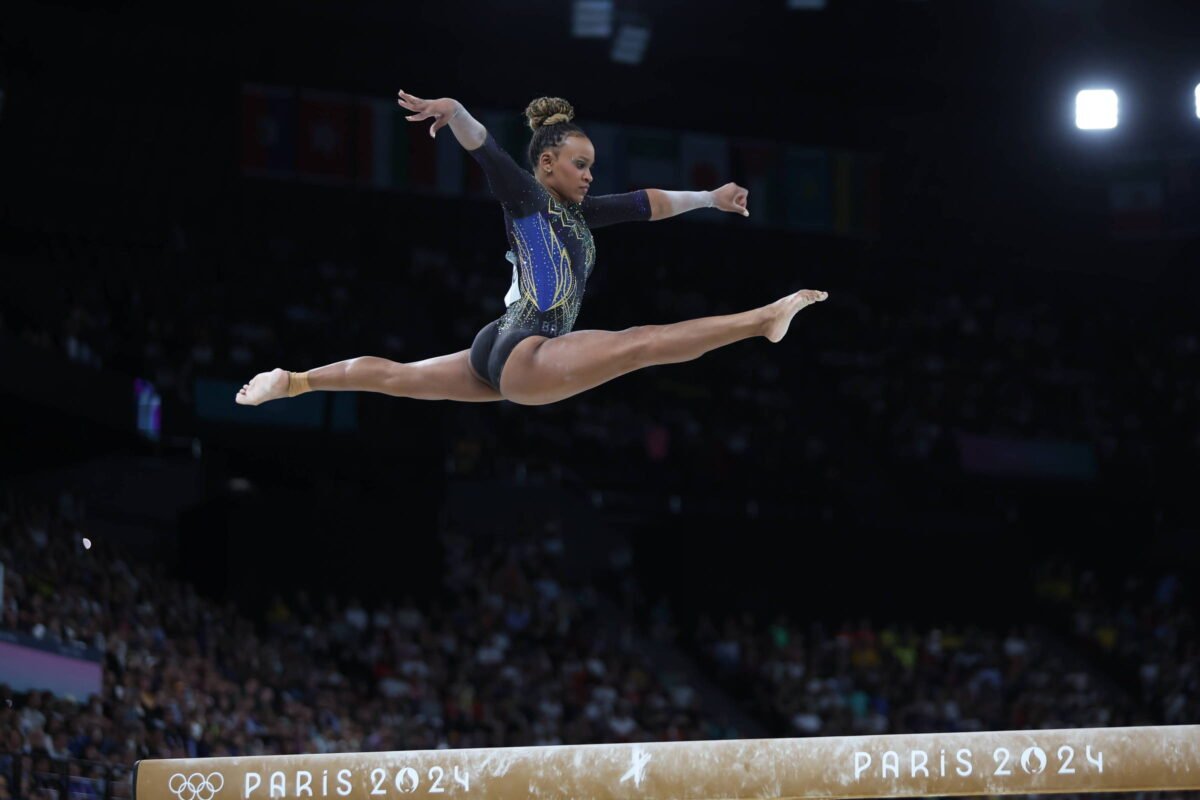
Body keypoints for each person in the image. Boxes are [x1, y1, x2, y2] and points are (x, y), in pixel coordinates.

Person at [236, 92, 827, 408]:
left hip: (498, 342)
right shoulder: (527, 197)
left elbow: (646, 203)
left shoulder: (582, 214)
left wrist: (709, 198)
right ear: (546, 164)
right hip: (527, 349)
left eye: (591, 166)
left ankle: (293, 381)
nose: (590, 175)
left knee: (396, 377)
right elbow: (486, 150)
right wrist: (456, 111)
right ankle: (763, 320)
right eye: (580, 164)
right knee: (640, 344)